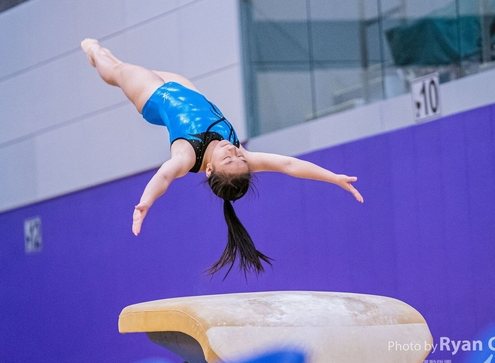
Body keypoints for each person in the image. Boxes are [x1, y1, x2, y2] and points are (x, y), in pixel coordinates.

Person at [81, 39, 364, 277]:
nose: (233, 150)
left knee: (116, 70)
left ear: (209, 170)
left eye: (229, 159)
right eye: (239, 156)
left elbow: (164, 176)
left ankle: (93, 51)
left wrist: (146, 202)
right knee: (128, 66)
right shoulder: (240, 154)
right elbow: (288, 165)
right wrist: (333, 177)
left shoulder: (188, 155)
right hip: (188, 90)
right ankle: (104, 54)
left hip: (154, 96)